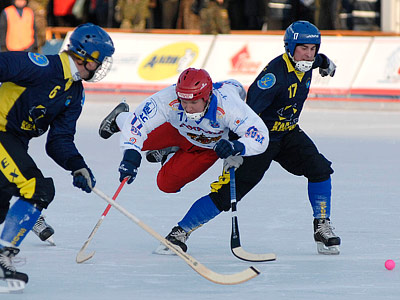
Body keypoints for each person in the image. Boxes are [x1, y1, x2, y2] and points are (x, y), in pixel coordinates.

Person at [160, 20, 340, 256]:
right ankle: (180, 232)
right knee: (228, 194)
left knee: (320, 169)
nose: (308, 54)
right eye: (303, 48)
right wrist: (237, 147)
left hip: (288, 133)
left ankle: (321, 226)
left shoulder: (308, 61)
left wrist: (325, 62)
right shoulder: (273, 77)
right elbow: (245, 115)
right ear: (290, 48)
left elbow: (319, 60)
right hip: (258, 139)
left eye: (312, 48)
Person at [0, 23, 115, 290]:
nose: (103, 67)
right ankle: (3, 258)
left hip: (16, 142)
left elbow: (59, 141)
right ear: (88, 57)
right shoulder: (43, 66)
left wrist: (77, 166)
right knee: (37, 188)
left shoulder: (75, 93)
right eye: (103, 60)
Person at [98, 68, 269, 221]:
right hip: (177, 131)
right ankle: (119, 116)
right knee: (138, 142)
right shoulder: (168, 98)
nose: (188, 108)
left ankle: (170, 152)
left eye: (194, 103)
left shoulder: (229, 106)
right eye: (184, 102)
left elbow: (260, 136)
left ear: (207, 96)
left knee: (166, 185)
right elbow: (137, 124)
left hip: (207, 148)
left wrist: (235, 146)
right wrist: (130, 156)